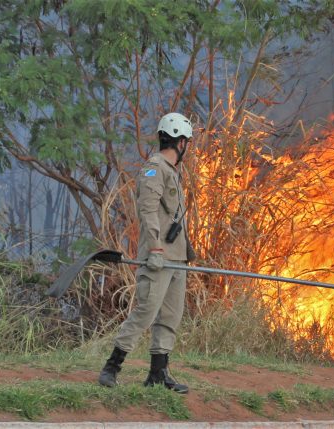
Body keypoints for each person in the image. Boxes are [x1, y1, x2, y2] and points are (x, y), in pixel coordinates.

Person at [98, 112, 196, 394]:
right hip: (158, 256)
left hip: (177, 258)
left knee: (170, 317)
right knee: (145, 313)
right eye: (186, 141)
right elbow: (148, 209)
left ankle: (158, 374)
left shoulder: (173, 171)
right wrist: (154, 247)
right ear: (179, 141)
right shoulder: (155, 168)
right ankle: (112, 367)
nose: (186, 146)